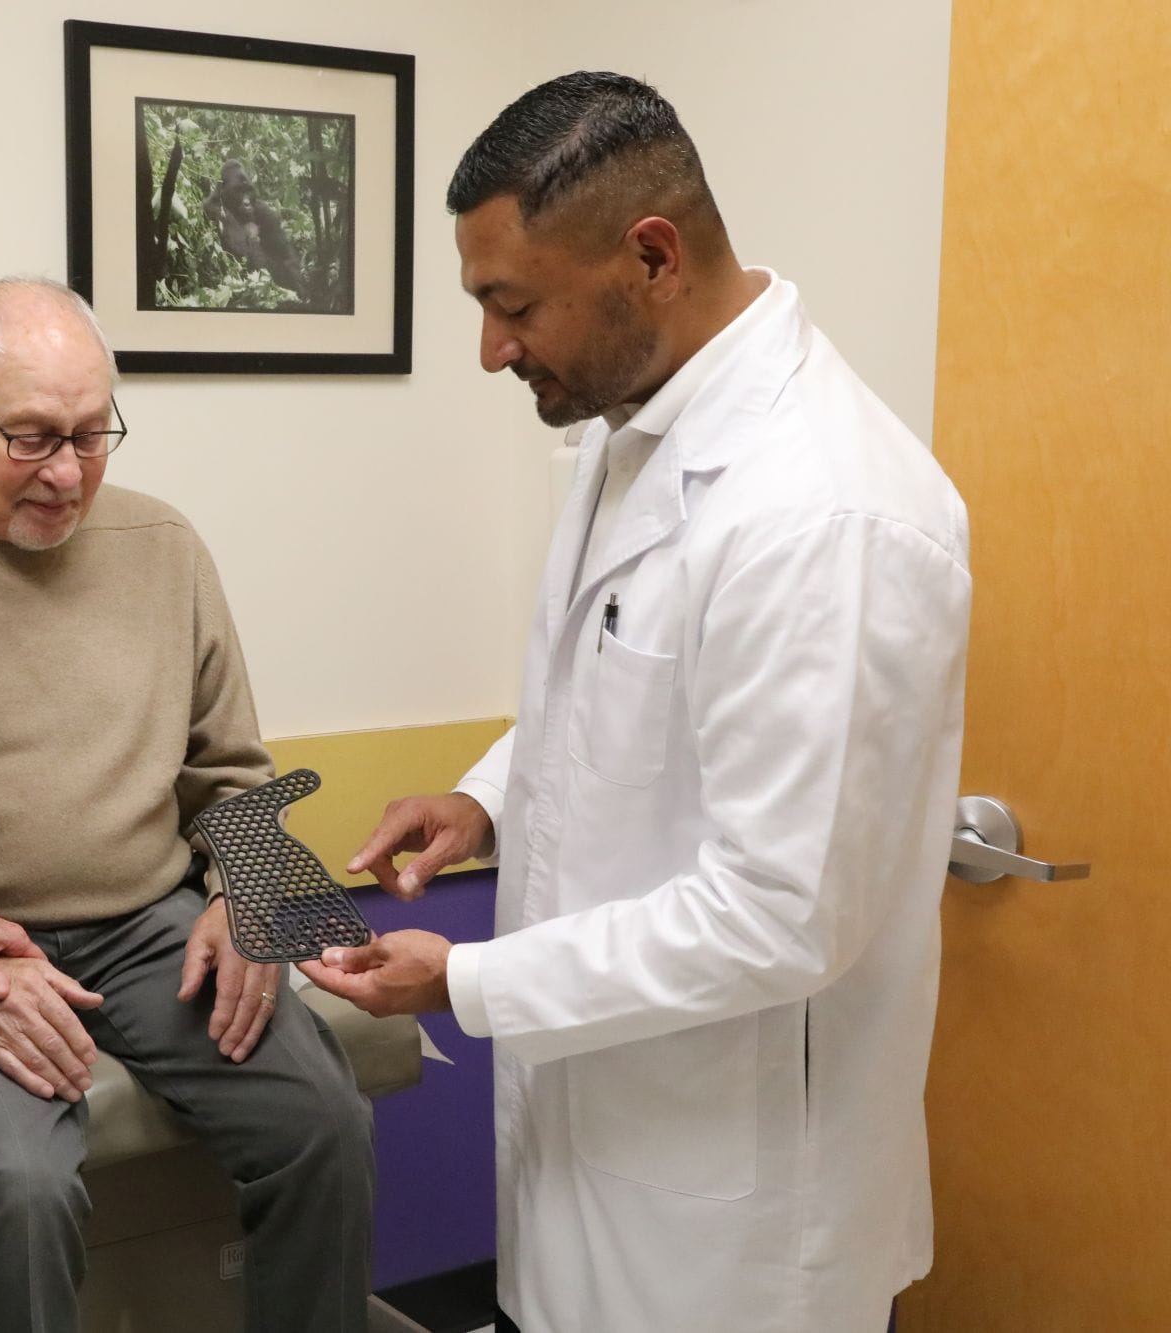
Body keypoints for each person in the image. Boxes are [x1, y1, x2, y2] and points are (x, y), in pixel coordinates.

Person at [301, 72, 971, 1333]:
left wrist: (467, 979)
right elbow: (621, 686)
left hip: (735, 1230)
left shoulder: (823, 514)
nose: (491, 349)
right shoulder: (631, 432)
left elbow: (779, 915)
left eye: (512, 306)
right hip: (598, 1161)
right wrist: (485, 801)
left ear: (650, 257)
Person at [0, 277, 376, 1333]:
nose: (66, 473)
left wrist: (246, 894)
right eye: (31, 436)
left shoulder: (162, 544)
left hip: (147, 927)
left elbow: (232, 770)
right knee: (18, 1184)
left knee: (324, 1121)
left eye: (92, 433)